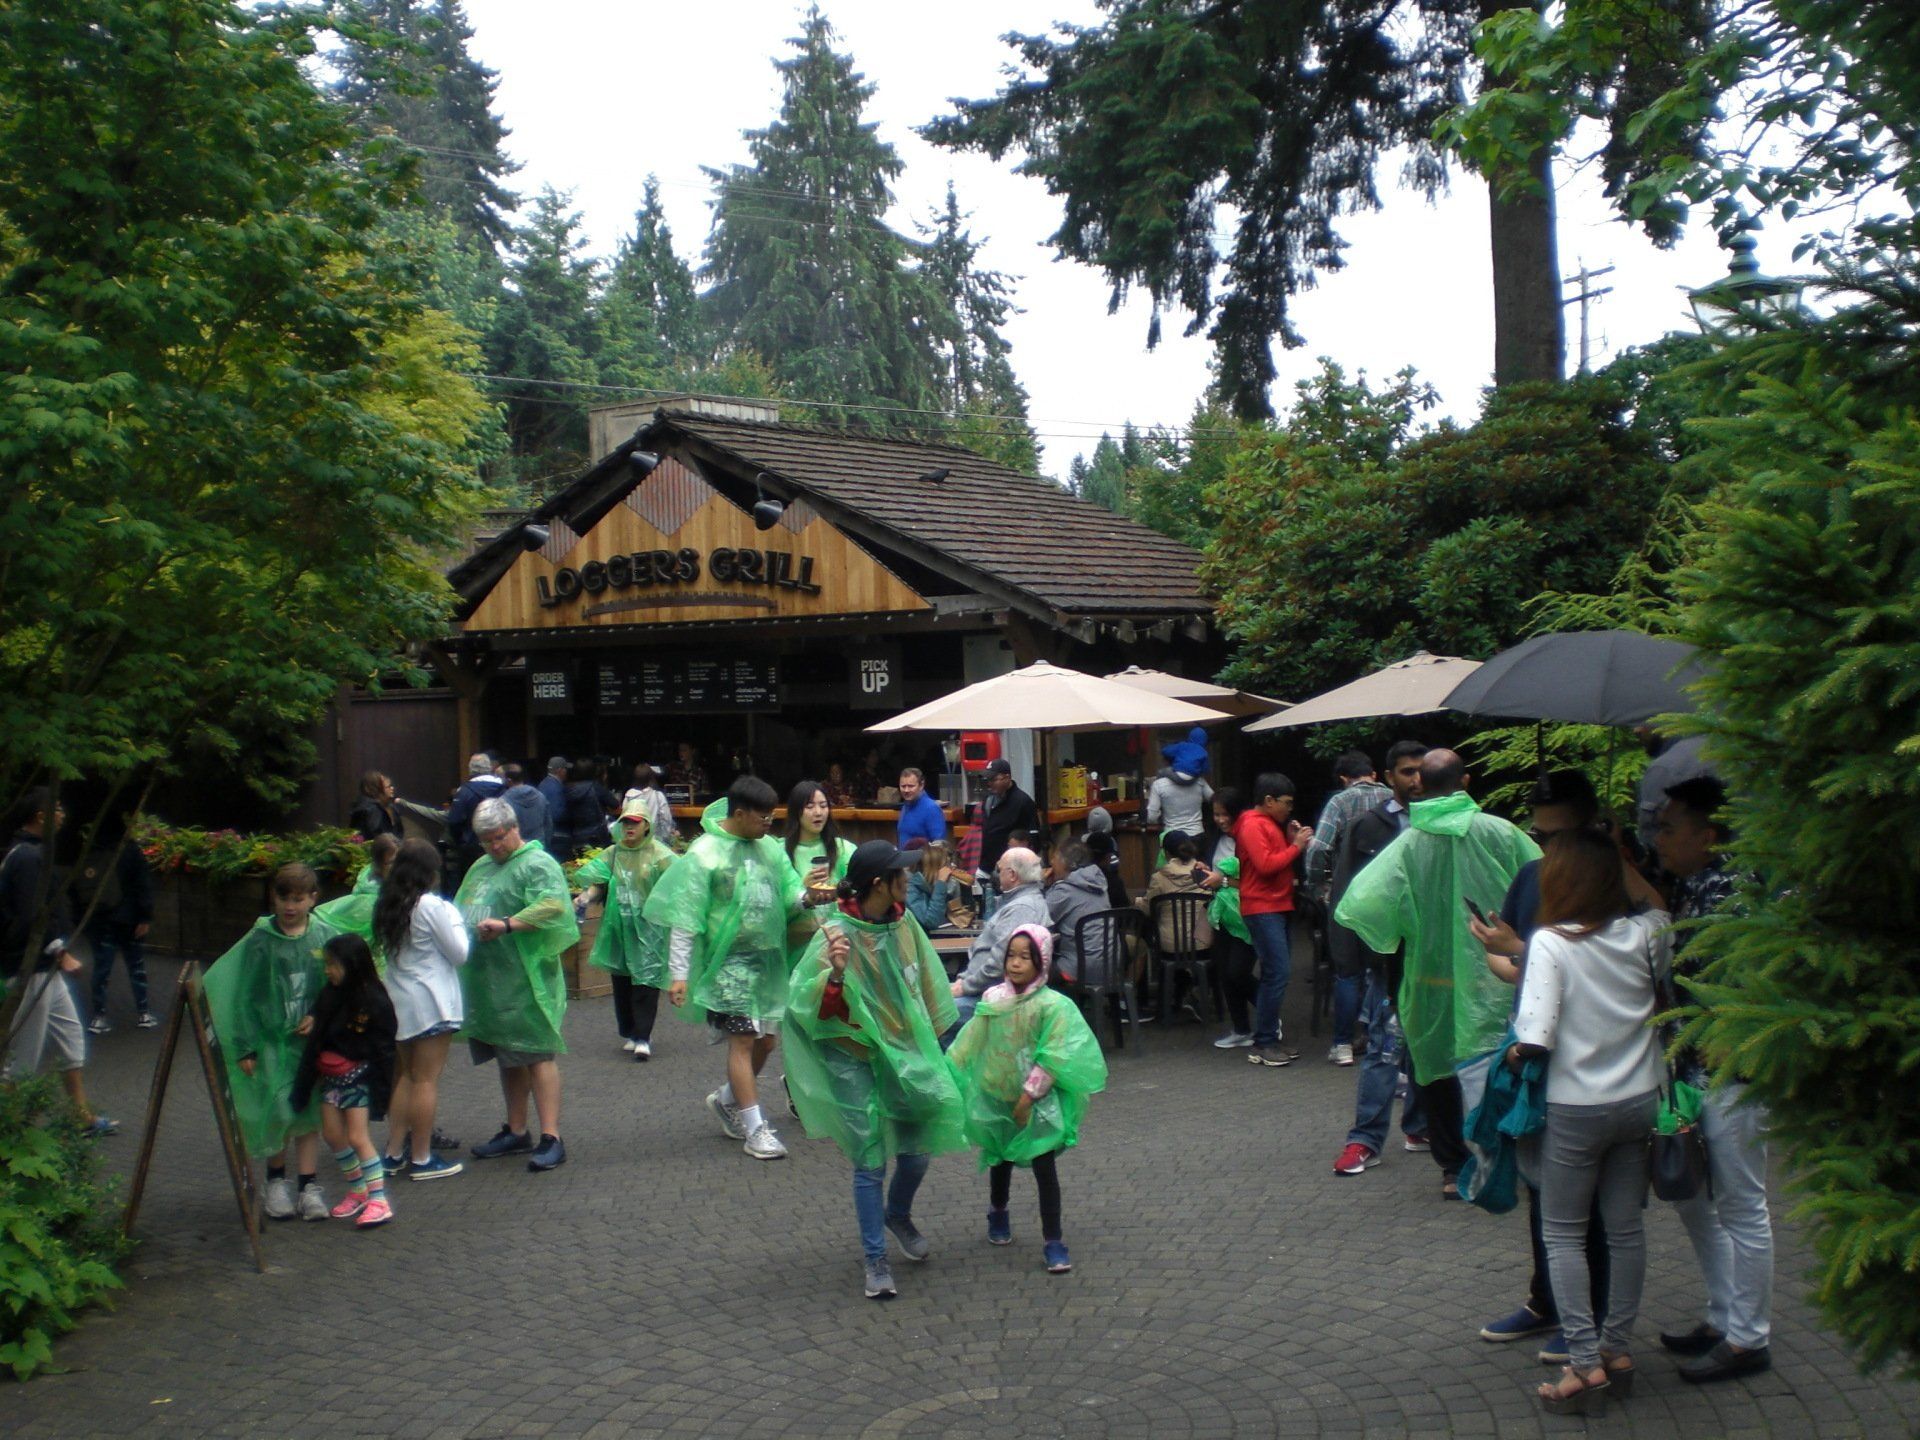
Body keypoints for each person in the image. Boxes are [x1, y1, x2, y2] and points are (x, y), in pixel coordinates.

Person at [1508, 828, 1674, 1414]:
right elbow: (1658, 907)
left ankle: (1583, 1365)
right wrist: (1624, 860)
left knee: (1563, 1233)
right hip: (1640, 1100)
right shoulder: (1647, 933)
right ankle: (1617, 1351)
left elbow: (1535, 1034)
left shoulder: (1551, 942)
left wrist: (1508, 1055)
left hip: (1576, 1107)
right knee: (1626, 1229)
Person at [1336, 749, 1540, 1198]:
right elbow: (1545, 880)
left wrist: (1402, 930)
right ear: (1465, 781)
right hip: (1496, 974)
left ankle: (1453, 1168)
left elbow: (1361, 903)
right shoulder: (1501, 832)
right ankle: (1505, 1155)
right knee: (1498, 1061)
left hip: (1429, 978)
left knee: (1437, 1071)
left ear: (1421, 787)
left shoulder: (1410, 843)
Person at [1469, 768, 1619, 1362]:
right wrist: (1501, 952)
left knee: (1592, 1203)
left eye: (1563, 835)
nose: (1550, 847)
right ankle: (1547, 1301)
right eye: (1541, 834)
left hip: (1593, 1062)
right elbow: (1513, 968)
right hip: (1533, 1054)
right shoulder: (1530, 876)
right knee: (1541, 1187)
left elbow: (1612, 961)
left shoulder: (1609, 880)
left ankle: (1594, 1318)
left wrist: (1522, 951)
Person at [784, 840, 967, 1300]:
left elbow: (927, 982)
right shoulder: (837, 932)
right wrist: (838, 973)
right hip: (854, 1053)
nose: (910, 877)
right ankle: (875, 1258)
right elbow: (811, 1008)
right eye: (900, 873)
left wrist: (936, 1044)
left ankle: (898, 1213)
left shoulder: (903, 922)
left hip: (904, 1049)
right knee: (869, 1160)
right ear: (878, 884)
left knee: (918, 1149)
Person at [1654, 776, 1775, 1385]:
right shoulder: (1689, 887)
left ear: (1706, 835)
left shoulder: (1736, 893)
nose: (1659, 837)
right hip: (1689, 1071)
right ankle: (1724, 1314)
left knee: (1740, 1203)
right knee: (1689, 1193)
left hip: (1733, 1072)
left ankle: (1749, 1337)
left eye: (1669, 827)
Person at [643, 776, 806, 1160]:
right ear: (739, 813)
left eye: (772, 816)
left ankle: (728, 1099)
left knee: (766, 1042)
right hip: (727, 964)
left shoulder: (770, 849)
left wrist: (810, 897)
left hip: (767, 961)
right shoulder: (706, 852)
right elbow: (686, 916)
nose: (769, 823)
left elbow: (789, 891)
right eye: (762, 816)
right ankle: (755, 1128)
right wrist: (678, 973)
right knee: (744, 1040)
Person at [948, 924, 1108, 1275]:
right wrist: (949, 1074)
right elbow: (971, 1041)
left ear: (1043, 962)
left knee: (1044, 1167)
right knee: (999, 1157)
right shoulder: (993, 1000)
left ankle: (1053, 1239)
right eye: (1011, 956)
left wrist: (1029, 1096)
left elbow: (1052, 1057)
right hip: (996, 1094)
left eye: (1026, 957)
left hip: (1037, 1101)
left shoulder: (1053, 1006)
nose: (1016, 964)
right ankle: (998, 1210)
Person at [203, 861, 339, 1218]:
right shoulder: (261, 940)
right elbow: (246, 994)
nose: (290, 907)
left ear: (313, 899)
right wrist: (245, 1044)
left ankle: (308, 1185)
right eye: (283, 898)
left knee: (308, 1113)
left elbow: (335, 985)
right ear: (273, 899)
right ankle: (276, 1181)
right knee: (279, 1110)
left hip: (308, 1046)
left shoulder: (323, 936)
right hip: (272, 1043)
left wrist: (320, 1019)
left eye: (298, 899)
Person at [457, 798, 577, 1174]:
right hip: (493, 981)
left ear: (514, 828)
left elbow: (554, 906)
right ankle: (516, 1128)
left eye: (498, 837)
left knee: (538, 1053)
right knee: (508, 1055)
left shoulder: (537, 864)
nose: (493, 846)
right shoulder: (482, 866)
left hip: (528, 980)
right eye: (485, 841)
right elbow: (463, 906)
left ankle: (552, 1136)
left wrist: (508, 924)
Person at [1330, 741, 1430, 1171]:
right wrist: (1348, 956)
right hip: (1388, 957)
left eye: (1422, 771)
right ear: (1389, 776)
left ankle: (1422, 1124)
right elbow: (1348, 893)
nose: (1416, 779)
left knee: (1431, 1045)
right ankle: (1366, 1138)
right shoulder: (1368, 826)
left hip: (1436, 957)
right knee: (1384, 1048)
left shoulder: (1444, 826)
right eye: (1407, 771)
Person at [1, 790, 117, 1135]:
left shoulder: (30, 853)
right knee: (21, 1061)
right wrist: (59, 950)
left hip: (44, 970)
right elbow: (31, 913)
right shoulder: (27, 858)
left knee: (71, 1039)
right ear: (39, 815)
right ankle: (9, 1130)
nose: (63, 814)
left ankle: (82, 1118)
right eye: (57, 808)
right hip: (30, 970)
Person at [372, 838, 469, 1180]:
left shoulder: (388, 902)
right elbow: (459, 953)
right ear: (429, 873)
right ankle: (423, 1157)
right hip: (432, 1001)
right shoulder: (432, 906)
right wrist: (457, 920)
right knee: (426, 1080)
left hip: (400, 1001)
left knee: (407, 1078)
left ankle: (393, 1152)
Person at [290, 934, 398, 1227]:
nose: (328, 970)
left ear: (351, 965)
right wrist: (313, 1016)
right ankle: (358, 1191)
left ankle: (379, 1199)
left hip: (358, 1078)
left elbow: (385, 1046)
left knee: (357, 1137)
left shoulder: (373, 999)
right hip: (331, 1079)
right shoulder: (331, 993)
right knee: (334, 1136)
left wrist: (381, 1091)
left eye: (332, 965)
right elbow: (322, 1016)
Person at [1306, 751, 1391, 1065]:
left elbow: (1318, 848)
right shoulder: (1392, 799)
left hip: (1348, 895)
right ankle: (1379, 1040)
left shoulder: (1340, 803)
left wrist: (1319, 885)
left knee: (1347, 973)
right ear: (1374, 773)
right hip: (1386, 898)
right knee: (1380, 971)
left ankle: (1342, 1044)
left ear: (1344, 778)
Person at [575, 799, 677, 1060]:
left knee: (645, 979)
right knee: (621, 982)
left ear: (646, 826)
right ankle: (631, 1032)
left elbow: (677, 886)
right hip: (618, 926)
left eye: (635, 822)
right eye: (625, 823)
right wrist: (586, 897)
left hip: (649, 928)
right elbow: (600, 881)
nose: (629, 828)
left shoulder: (660, 856)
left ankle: (643, 1036)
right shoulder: (614, 853)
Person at [1236, 772, 1312, 1069]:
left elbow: (1273, 859)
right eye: (1286, 803)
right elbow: (1266, 866)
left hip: (1275, 904)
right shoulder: (1253, 825)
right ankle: (1264, 1042)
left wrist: (1291, 841)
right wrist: (1297, 847)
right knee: (1276, 973)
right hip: (1262, 906)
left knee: (1275, 973)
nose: (1289, 809)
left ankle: (1268, 1038)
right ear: (1268, 800)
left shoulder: (1266, 824)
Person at [951, 847, 1048, 1024]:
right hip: (979, 987)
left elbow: (999, 964)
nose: (996, 874)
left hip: (990, 996)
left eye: (999, 869)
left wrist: (964, 987)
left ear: (1012, 875)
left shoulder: (1022, 909)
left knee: (930, 1017)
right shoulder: (1020, 902)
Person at [76, 827, 157, 1033]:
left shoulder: (92, 848)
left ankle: (99, 1016)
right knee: (136, 966)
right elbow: (142, 883)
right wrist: (145, 916)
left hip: (100, 918)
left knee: (102, 968)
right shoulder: (129, 849)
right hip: (128, 918)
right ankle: (143, 1012)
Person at [1045, 841, 1114, 988]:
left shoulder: (1064, 891)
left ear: (1068, 864)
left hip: (1080, 968)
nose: (1051, 862)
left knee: (1032, 967)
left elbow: (1038, 919)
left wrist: (1041, 885)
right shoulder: (1098, 882)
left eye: (1055, 857)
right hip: (1112, 963)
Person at [975, 759, 1040, 912]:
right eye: (987, 779)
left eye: (993, 779)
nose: (989, 783)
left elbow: (1034, 841)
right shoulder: (988, 800)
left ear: (1006, 777)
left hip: (1012, 873)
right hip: (987, 867)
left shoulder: (1023, 802)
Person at [1206, 857, 1258, 1046]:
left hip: (1246, 921)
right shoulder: (1215, 840)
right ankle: (1241, 1029)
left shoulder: (1249, 840)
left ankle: (1269, 1013)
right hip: (1224, 921)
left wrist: (1223, 880)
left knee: (1238, 972)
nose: (1221, 824)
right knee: (1226, 975)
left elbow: (1256, 882)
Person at [785, 779, 857, 907]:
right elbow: (778, 905)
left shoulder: (843, 848)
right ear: (796, 811)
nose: (818, 812)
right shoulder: (781, 852)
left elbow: (858, 889)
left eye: (823, 806)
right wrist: (804, 890)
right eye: (809, 807)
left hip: (839, 925)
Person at [444, 752, 506, 879]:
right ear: (489, 768)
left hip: (472, 847)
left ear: (470, 770)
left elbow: (454, 821)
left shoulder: (464, 792)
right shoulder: (504, 788)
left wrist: (461, 842)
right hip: (502, 844)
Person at [1147, 742, 1214, 841]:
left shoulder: (1158, 784)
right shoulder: (1199, 781)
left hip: (1172, 838)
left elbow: (1152, 817)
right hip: (1197, 834)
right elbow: (1214, 800)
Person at [906, 841, 974, 932]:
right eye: (946, 865)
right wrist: (941, 883)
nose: (949, 868)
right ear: (933, 868)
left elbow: (962, 913)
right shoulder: (911, 888)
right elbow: (931, 922)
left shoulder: (933, 885)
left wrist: (964, 888)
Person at [554, 757, 614, 860]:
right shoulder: (595, 787)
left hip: (576, 836)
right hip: (597, 837)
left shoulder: (567, 789)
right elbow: (615, 805)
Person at [500, 763, 553, 852]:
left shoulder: (502, 802)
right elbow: (548, 824)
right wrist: (545, 845)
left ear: (508, 780)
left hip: (516, 851)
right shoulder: (540, 796)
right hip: (539, 847)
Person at [623, 763, 678, 844]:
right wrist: (666, 838)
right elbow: (666, 819)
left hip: (634, 842)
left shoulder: (628, 797)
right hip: (655, 842)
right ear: (651, 779)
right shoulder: (658, 796)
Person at [895, 767, 947, 850]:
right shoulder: (905, 806)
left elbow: (939, 846)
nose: (906, 790)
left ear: (921, 785)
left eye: (911, 786)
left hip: (923, 861)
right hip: (904, 861)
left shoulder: (931, 808)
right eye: (903, 786)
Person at [350, 771, 401, 842]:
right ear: (376, 788)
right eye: (387, 786)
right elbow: (375, 835)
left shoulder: (392, 808)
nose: (392, 788)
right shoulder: (372, 809)